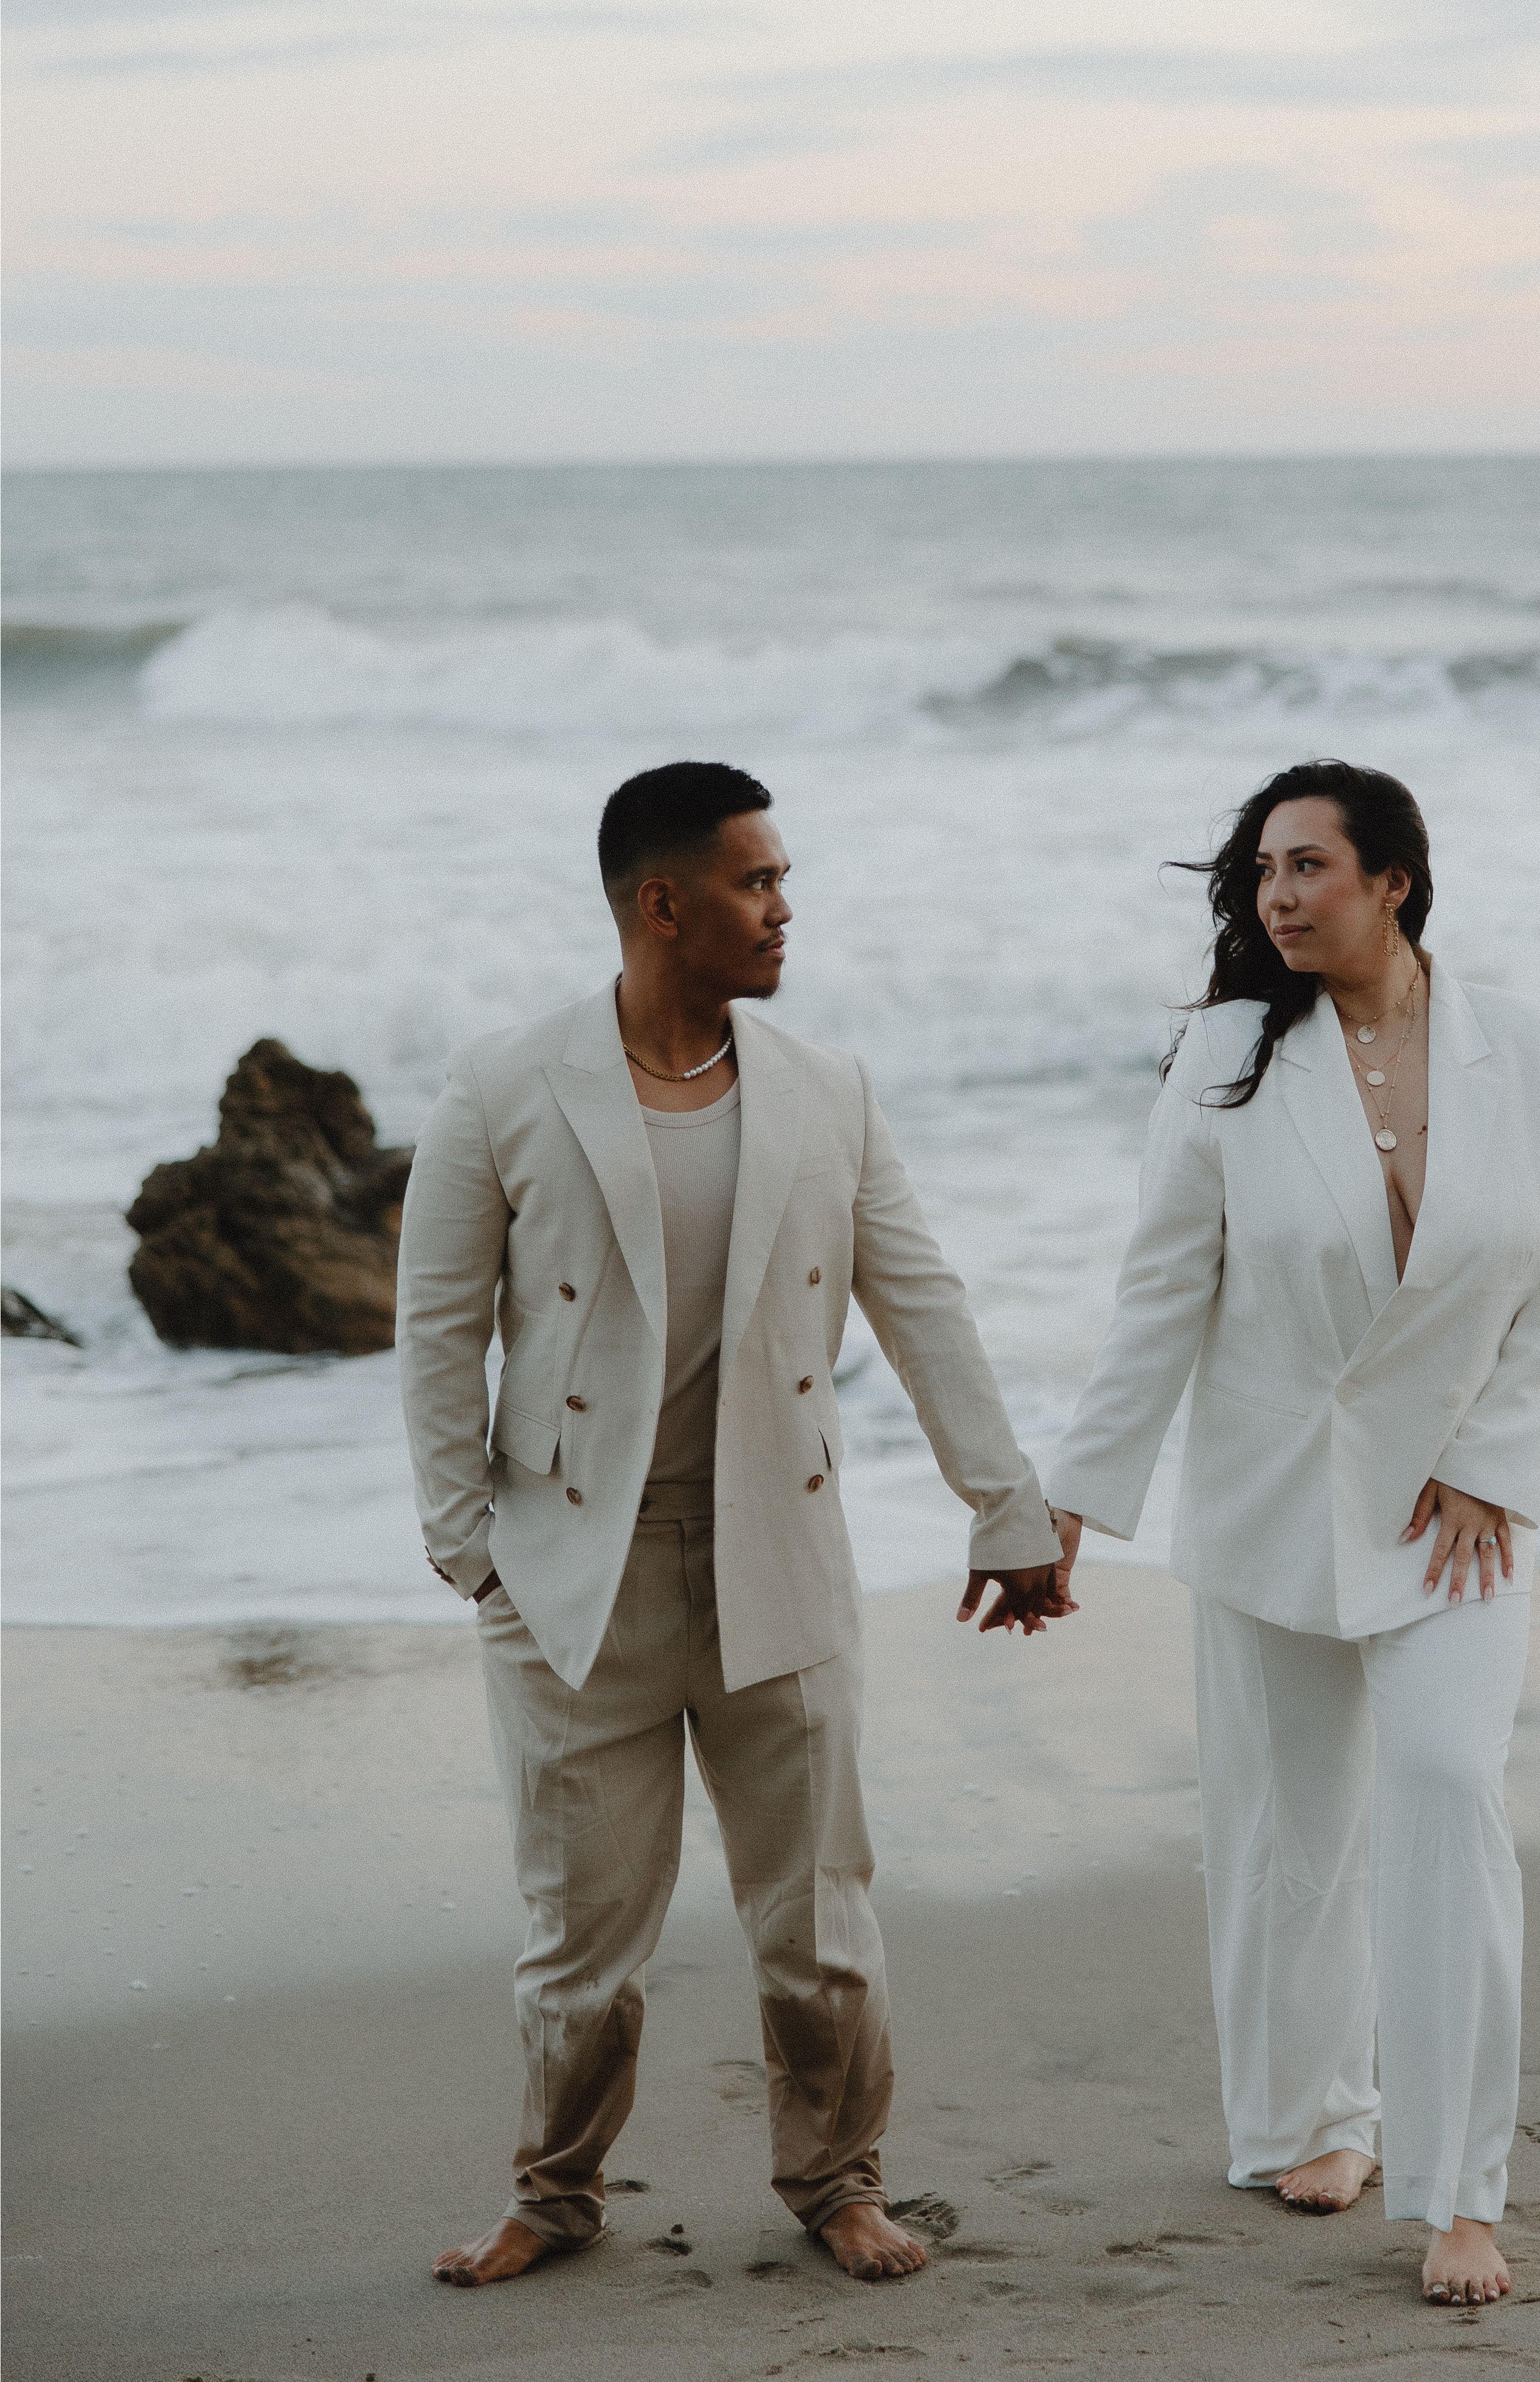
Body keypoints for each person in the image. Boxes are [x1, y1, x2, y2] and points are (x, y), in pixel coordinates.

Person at [395, 760, 1069, 2290]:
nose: (783, 909)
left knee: (819, 1918)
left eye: (781, 881)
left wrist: (1005, 1505)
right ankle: (554, 2194)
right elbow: (437, 1327)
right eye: (756, 882)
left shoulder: (828, 1088)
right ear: (662, 904)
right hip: (578, 1572)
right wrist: (470, 1547)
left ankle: (838, 2181)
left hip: (780, 1549)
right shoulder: (504, 1083)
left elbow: (920, 1301)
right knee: (580, 1934)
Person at [1045, 759, 1540, 2309]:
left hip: (1453, 1516)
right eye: (1263, 872)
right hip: (1271, 1492)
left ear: (1393, 879)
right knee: (1290, 1831)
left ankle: (1460, 2190)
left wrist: (1497, 1465)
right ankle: (1311, 2120)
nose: (1278, 896)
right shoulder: (1228, 1055)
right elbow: (1163, 1288)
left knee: (1445, 1792)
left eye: (1308, 866)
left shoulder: (1530, 1053)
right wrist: (1072, 1500)